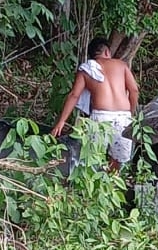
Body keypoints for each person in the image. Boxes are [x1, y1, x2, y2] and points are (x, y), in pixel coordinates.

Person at [52, 38, 140, 167]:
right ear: (106, 52)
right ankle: (112, 183)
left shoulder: (86, 70)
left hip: (101, 117)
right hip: (123, 117)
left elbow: (74, 95)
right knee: (118, 160)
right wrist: (131, 114)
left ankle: (94, 183)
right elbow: (134, 90)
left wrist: (61, 121)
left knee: (94, 156)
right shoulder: (121, 65)